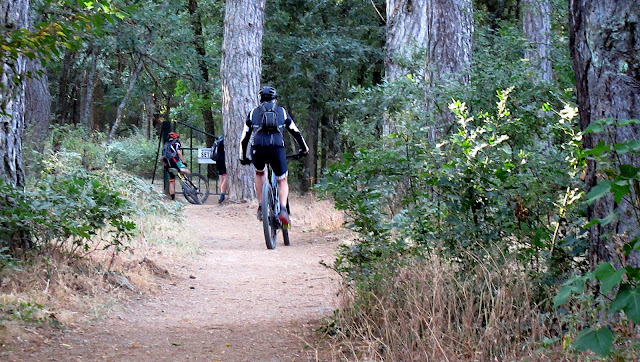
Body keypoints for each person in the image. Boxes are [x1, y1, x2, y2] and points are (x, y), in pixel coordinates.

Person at [239, 86, 309, 227]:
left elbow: (244, 138)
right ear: (275, 100)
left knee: (259, 172)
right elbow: (295, 132)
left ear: (260, 100)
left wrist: (242, 156)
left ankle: (260, 207)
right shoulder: (281, 111)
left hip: (257, 149)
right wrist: (304, 148)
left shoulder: (253, 113)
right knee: (282, 179)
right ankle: (283, 210)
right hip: (276, 148)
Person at [162, 131, 190, 200]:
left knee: (172, 182)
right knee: (187, 171)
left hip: (167, 164)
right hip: (175, 162)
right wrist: (183, 162)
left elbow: (161, 157)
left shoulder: (165, 145)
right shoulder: (176, 143)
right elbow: (179, 153)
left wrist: (164, 164)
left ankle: (172, 199)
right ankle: (178, 170)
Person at [215, 135, 228, 204]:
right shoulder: (226, 140)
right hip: (224, 161)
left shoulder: (219, 139)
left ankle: (221, 194)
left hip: (218, 160)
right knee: (226, 178)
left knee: (221, 178)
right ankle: (222, 196)